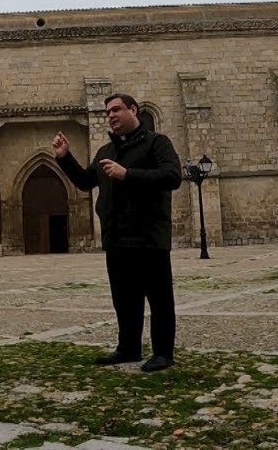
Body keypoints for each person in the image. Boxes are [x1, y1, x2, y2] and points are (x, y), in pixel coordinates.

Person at [52, 93, 182, 372]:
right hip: (116, 238)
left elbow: (172, 177)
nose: (110, 116)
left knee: (158, 299)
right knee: (124, 298)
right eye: (107, 112)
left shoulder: (157, 143)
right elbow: (86, 182)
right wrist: (65, 158)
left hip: (149, 236)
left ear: (133, 110)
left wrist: (128, 174)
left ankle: (163, 353)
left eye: (116, 110)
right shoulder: (105, 152)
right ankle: (128, 348)